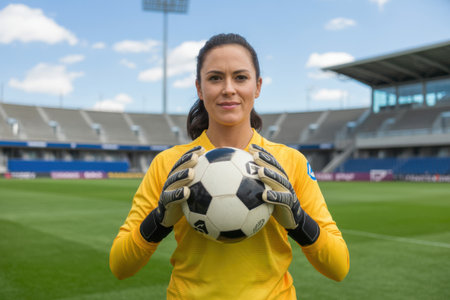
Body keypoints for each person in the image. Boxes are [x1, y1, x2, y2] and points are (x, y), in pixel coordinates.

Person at [110, 33, 349, 299]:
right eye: (215, 78)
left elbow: (338, 267)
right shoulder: (169, 164)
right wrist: (158, 222)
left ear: (257, 86)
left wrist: (299, 222)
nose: (228, 89)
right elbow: (120, 266)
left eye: (240, 77)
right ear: (200, 89)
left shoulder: (290, 161)